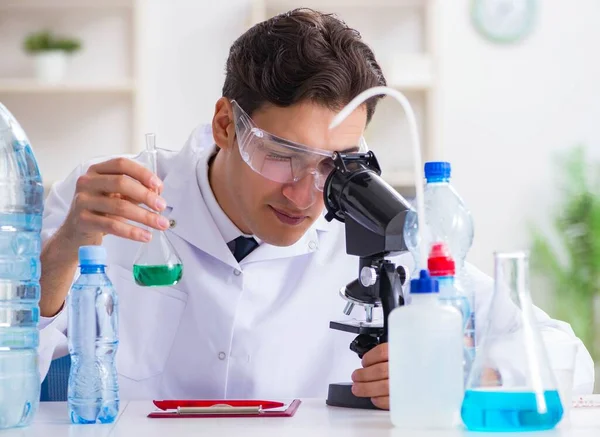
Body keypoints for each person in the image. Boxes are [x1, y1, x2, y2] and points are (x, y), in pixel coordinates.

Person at [38, 8, 594, 408]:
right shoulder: (105, 200)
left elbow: (566, 358)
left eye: (337, 163)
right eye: (282, 156)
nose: (305, 195)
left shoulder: (378, 222)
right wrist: (61, 253)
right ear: (226, 125)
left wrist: (459, 370)